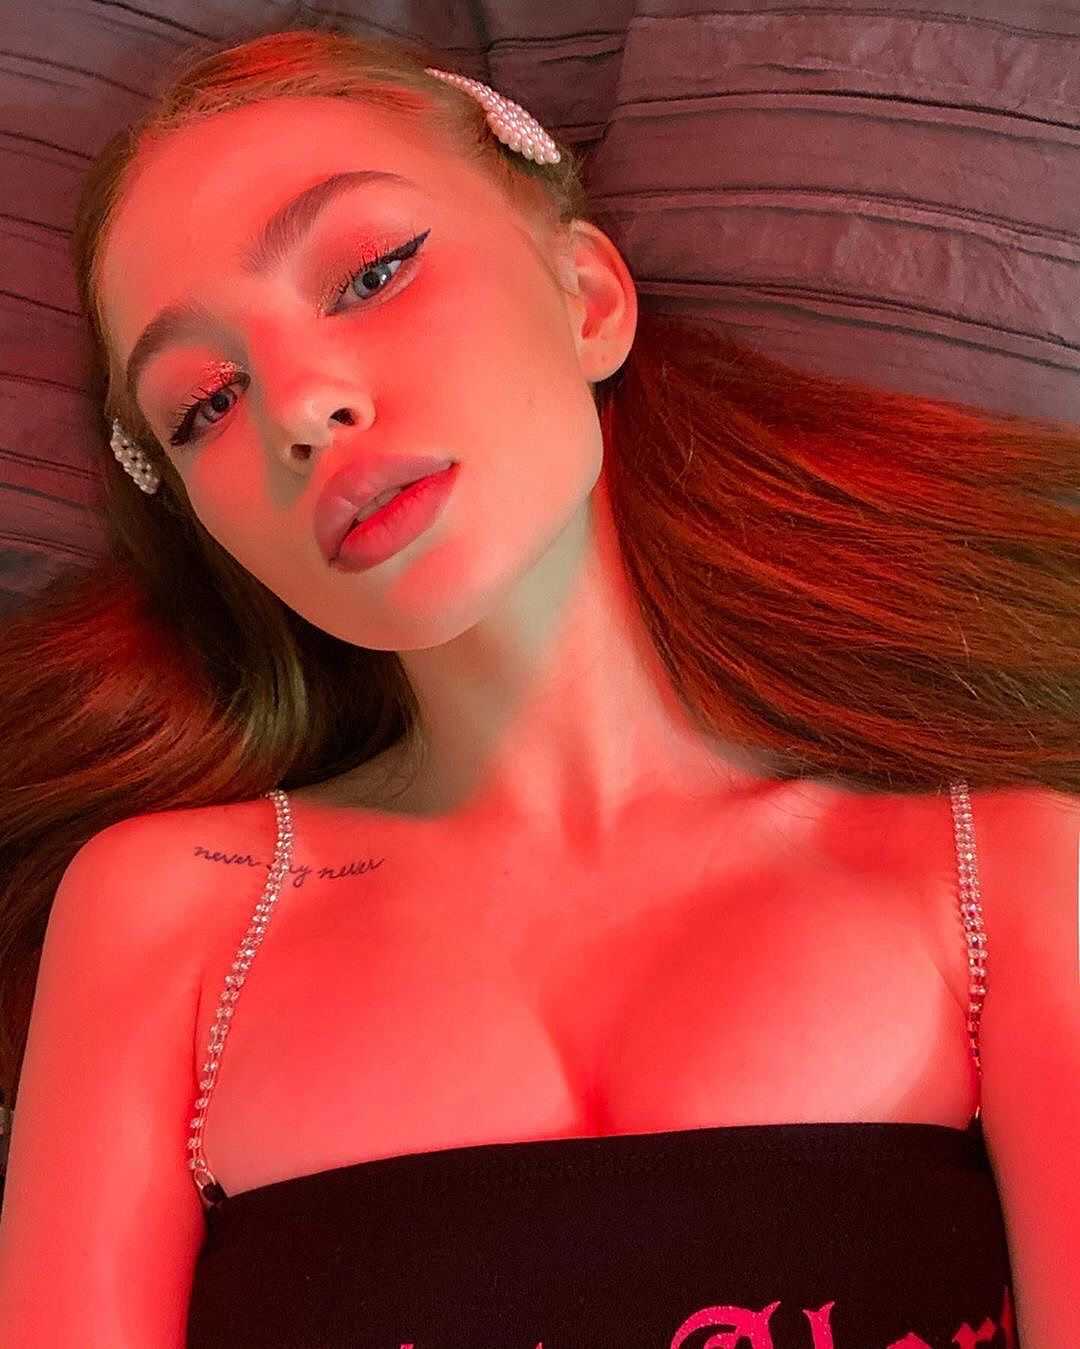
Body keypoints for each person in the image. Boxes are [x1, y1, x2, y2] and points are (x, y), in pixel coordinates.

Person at [0, 17, 1078, 1347]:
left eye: (371, 273)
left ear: (587, 298)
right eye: (206, 403)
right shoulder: (172, 914)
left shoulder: (999, 876)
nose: (299, 407)